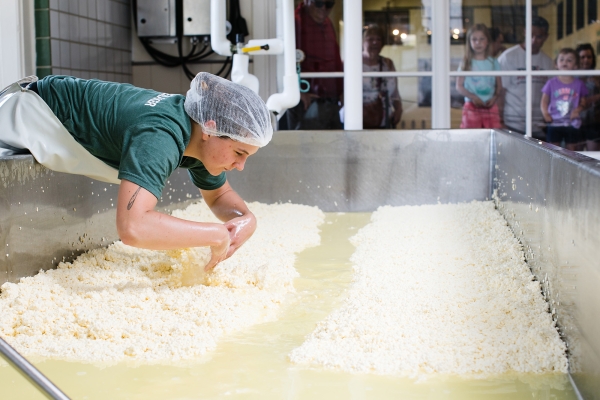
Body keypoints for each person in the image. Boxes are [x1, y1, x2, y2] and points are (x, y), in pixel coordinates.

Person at [0, 73, 273, 270]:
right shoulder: (161, 135)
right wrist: (215, 235)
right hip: (23, 114)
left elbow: (219, 195)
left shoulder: (197, 137)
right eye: (239, 153)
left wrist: (247, 220)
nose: (240, 166)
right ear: (210, 129)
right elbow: (133, 227)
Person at [283, 0, 343, 130]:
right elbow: (283, 60)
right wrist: (297, 91)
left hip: (331, 100)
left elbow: (336, 59)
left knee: (334, 144)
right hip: (308, 100)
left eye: (329, 4)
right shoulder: (294, 22)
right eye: (319, 3)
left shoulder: (327, 23)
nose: (324, 9)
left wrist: (342, 90)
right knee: (307, 146)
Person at [498, 16, 554, 139]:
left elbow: (550, 95)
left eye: (539, 37)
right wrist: (500, 121)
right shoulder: (508, 57)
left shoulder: (548, 62)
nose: (533, 40)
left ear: (546, 37)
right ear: (524, 32)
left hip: (539, 126)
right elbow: (500, 91)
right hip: (512, 124)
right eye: (530, 35)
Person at [456, 24, 503, 129]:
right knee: (471, 138)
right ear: (469, 42)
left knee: (493, 136)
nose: (478, 42)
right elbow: (459, 86)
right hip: (471, 106)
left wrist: (494, 98)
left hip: (490, 105)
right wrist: (473, 97)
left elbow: (499, 86)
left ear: (487, 41)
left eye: (482, 39)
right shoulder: (466, 62)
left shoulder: (493, 62)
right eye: (474, 39)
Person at [540, 48, 588, 150]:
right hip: (554, 122)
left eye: (569, 60)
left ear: (576, 66)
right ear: (556, 64)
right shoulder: (551, 83)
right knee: (553, 148)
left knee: (571, 149)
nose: (565, 62)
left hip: (572, 122)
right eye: (561, 59)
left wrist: (578, 110)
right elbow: (544, 100)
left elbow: (584, 101)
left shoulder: (579, 84)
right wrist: (545, 113)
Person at [361, 25, 402, 129]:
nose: (375, 42)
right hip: (359, 120)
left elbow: (394, 92)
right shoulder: (352, 63)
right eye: (370, 39)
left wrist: (398, 109)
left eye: (378, 39)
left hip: (384, 120)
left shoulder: (387, 63)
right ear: (362, 42)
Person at [576, 43, 600, 151]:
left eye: (589, 57)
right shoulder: (571, 77)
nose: (586, 60)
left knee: (594, 159)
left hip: (594, 121)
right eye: (582, 57)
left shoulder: (597, 75)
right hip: (576, 121)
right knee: (575, 157)